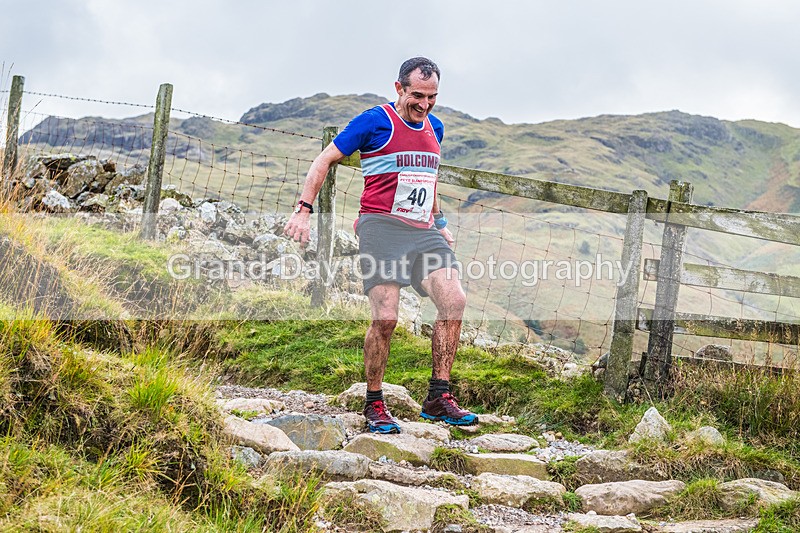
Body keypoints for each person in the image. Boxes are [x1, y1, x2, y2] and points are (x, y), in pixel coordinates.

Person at [283, 57, 476, 433]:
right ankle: (374, 402)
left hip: (424, 231)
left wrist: (440, 223)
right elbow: (325, 160)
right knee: (386, 318)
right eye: (417, 95)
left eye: (432, 96)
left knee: (454, 301)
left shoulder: (435, 127)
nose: (424, 104)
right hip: (381, 228)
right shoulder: (374, 122)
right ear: (399, 88)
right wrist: (303, 210)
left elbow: (428, 178)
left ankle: (438, 396)